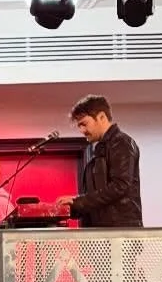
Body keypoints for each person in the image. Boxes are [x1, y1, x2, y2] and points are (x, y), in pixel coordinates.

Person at [58, 95, 143, 228]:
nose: (82, 131)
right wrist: (72, 206)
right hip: (103, 232)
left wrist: (79, 201)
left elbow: (119, 186)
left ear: (102, 117)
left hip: (120, 234)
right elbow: (97, 198)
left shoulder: (122, 142)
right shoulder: (99, 150)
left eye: (84, 124)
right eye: (79, 126)